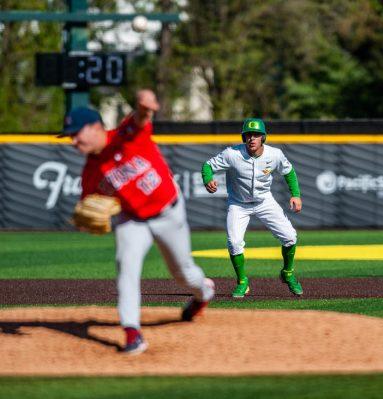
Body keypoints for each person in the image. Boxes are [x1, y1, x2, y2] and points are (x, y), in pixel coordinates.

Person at [60, 90, 215, 355]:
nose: (73, 141)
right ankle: (132, 331)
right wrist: (83, 221)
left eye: (77, 133)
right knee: (126, 266)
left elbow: (140, 119)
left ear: (96, 127)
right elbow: (86, 207)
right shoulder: (90, 172)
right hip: (133, 220)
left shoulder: (124, 136)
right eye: (70, 136)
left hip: (168, 212)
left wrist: (145, 106)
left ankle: (204, 293)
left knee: (183, 273)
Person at [201, 118, 303, 298]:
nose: (252, 138)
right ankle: (242, 282)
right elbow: (208, 165)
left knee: (289, 237)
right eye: (248, 135)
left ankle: (288, 273)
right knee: (234, 243)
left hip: (264, 201)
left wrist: (295, 194)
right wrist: (208, 179)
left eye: (256, 135)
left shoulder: (275, 155)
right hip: (238, 204)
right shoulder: (232, 154)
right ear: (244, 137)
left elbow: (289, 171)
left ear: (263, 137)